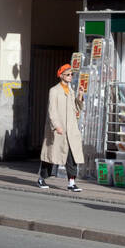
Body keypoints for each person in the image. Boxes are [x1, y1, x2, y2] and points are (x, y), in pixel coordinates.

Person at [38, 64, 84, 192]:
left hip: (71, 129)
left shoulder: (71, 91)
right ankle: (42, 178)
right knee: (51, 155)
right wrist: (56, 126)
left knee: (72, 156)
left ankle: (71, 182)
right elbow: (52, 110)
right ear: (61, 75)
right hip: (58, 129)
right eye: (68, 74)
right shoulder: (54, 90)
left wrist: (80, 95)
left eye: (71, 74)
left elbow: (77, 109)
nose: (70, 77)